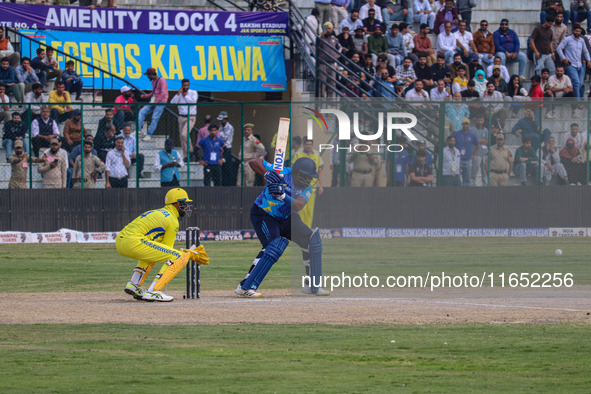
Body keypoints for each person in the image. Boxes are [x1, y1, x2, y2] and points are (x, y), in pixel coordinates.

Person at [235, 157, 328, 298]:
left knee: (312, 241)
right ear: (297, 173)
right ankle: (245, 286)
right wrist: (266, 174)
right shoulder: (281, 171)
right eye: (307, 176)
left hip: (287, 216)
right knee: (273, 245)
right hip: (264, 214)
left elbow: (297, 205)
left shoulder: (307, 188)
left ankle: (312, 285)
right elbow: (254, 162)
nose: (309, 180)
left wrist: (282, 195)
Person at [117, 188, 209, 302]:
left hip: (121, 241)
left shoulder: (157, 212)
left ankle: (134, 284)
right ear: (177, 203)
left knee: (152, 253)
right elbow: (168, 251)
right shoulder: (172, 220)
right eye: (184, 204)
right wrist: (187, 254)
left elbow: (161, 250)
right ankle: (154, 291)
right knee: (179, 257)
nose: (186, 207)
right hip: (134, 241)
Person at [292, 138, 324, 227]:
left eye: (310, 144)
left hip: (312, 188)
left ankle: (307, 230)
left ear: (312, 146)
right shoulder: (298, 155)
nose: (309, 146)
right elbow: (292, 168)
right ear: (303, 145)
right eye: (307, 144)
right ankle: (300, 228)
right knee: (301, 209)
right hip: (300, 187)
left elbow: (319, 171)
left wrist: (320, 185)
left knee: (310, 211)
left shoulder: (316, 156)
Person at [556, 23, 591, 98]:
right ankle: (577, 102)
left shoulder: (582, 40)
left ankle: (578, 100)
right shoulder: (567, 39)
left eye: (579, 31)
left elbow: (585, 51)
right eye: (576, 31)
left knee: (581, 83)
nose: (577, 33)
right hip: (571, 64)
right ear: (572, 31)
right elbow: (559, 48)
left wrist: (588, 60)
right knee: (576, 82)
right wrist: (564, 58)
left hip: (580, 65)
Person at [138, 67, 169, 142]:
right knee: (142, 111)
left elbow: (163, 93)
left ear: (151, 74)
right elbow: (154, 92)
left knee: (155, 117)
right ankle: (138, 130)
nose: (147, 77)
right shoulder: (153, 81)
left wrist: (156, 102)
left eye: (148, 75)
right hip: (154, 100)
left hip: (161, 101)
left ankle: (149, 134)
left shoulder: (162, 80)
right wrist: (146, 96)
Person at [170, 79, 198, 159]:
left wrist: (185, 95)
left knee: (184, 134)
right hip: (181, 117)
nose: (185, 87)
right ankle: (186, 156)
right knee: (182, 137)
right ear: (182, 85)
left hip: (191, 117)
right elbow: (172, 103)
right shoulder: (180, 94)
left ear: (189, 85)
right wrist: (178, 94)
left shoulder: (193, 92)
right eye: (184, 85)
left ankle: (191, 151)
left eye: (187, 85)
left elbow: (193, 102)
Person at [317, 22, 342, 97]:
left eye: (329, 28)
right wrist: (321, 37)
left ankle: (330, 100)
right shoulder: (319, 38)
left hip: (332, 63)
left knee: (332, 83)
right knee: (322, 83)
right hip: (323, 63)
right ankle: (320, 100)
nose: (328, 30)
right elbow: (316, 46)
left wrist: (336, 55)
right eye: (326, 28)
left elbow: (340, 47)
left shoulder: (335, 39)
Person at [452, 118, 480, 186]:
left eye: (467, 124)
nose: (466, 125)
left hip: (467, 159)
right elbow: (451, 143)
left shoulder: (472, 134)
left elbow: (478, 145)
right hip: (458, 159)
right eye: (464, 124)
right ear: (462, 124)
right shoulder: (457, 134)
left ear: (469, 125)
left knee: (467, 179)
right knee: (455, 176)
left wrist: (474, 154)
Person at [217, 111, 236, 185]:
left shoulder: (229, 127)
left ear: (226, 119)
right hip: (221, 148)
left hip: (227, 148)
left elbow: (225, 137)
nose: (221, 121)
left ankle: (229, 184)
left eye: (222, 120)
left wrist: (219, 131)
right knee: (222, 168)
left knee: (228, 167)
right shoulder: (221, 127)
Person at [469, 115, 489, 186]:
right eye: (478, 120)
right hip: (476, 153)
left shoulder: (486, 130)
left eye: (481, 120)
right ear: (476, 120)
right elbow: (472, 140)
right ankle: (472, 186)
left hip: (484, 153)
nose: (480, 122)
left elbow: (487, 141)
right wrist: (482, 140)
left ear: (483, 121)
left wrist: (477, 140)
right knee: (474, 171)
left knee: (484, 172)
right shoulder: (472, 129)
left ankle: (485, 186)